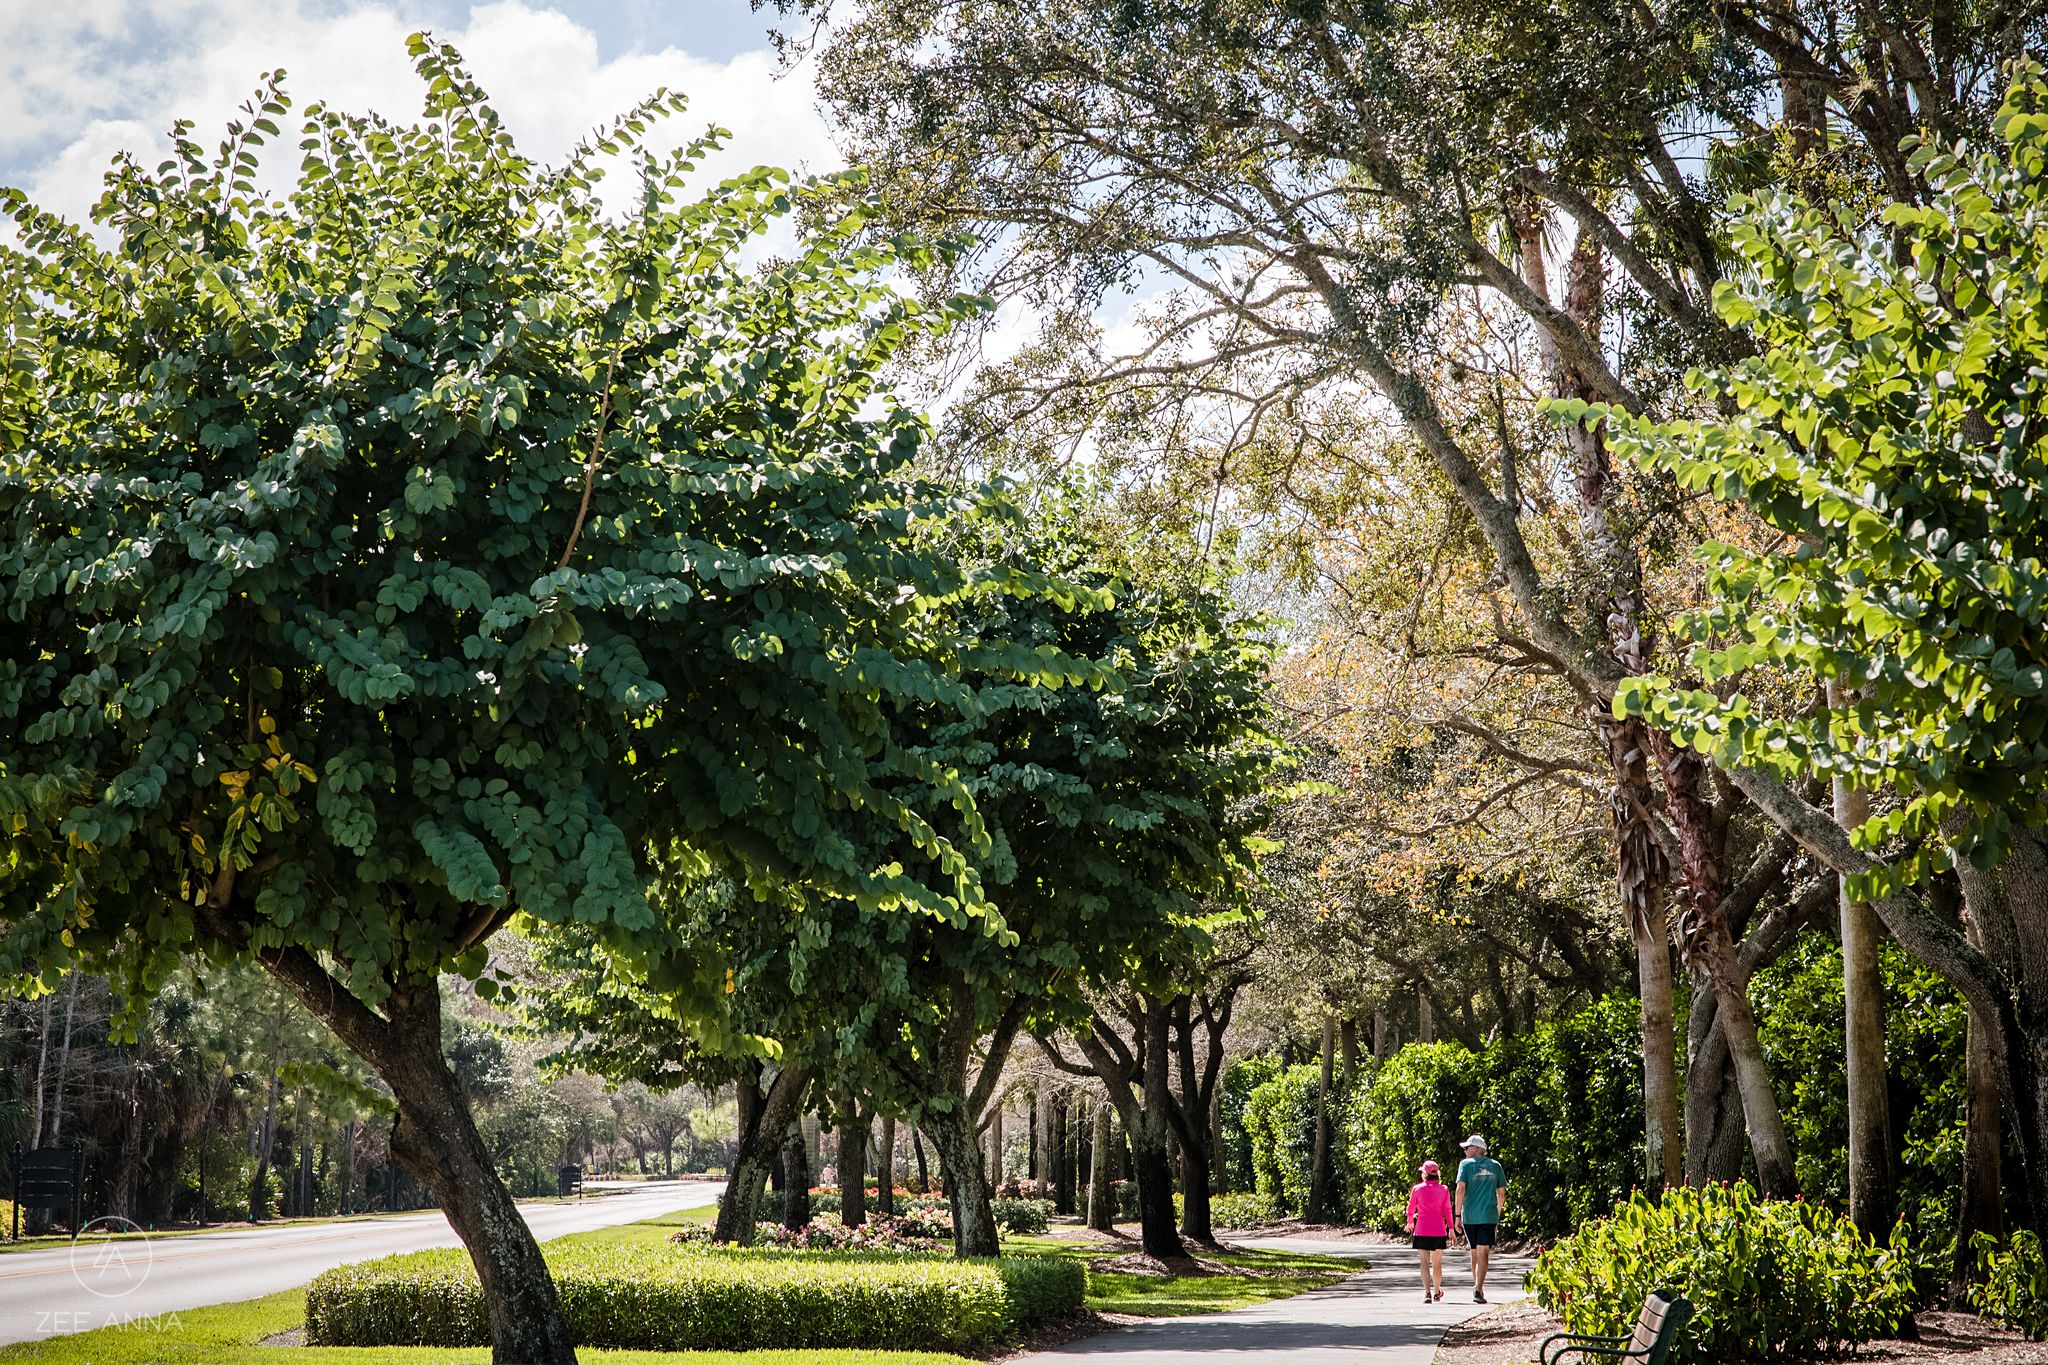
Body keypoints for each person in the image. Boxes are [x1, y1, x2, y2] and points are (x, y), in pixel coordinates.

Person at [1454, 1134, 1507, 1302]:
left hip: (1470, 1216)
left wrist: (1457, 1215)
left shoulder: (1465, 1165)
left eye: (1467, 1148)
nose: (1465, 1151)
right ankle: (1478, 1287)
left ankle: (1477, 1287)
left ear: (1477, 1149)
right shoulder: (1496, 1166)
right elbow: (1501, 1192)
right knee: (1482, 1251)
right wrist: (1497, 1211)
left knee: (1475, 1251)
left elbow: (1460, 1189)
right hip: (1488, 1215)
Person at [1405, 1159, 1454, 1303]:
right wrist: (1451, 1228)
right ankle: (1437, 1292)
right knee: (1437, 1263)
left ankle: (1427, 1293)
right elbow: (1447, 1210)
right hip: (1439, 1230)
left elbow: (1411, 1207)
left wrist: (1409, 1222)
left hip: (1422, 1230)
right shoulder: (1444, 1189)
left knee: (1424, 1262)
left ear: (1424, 1174)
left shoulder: (1417, 1189)